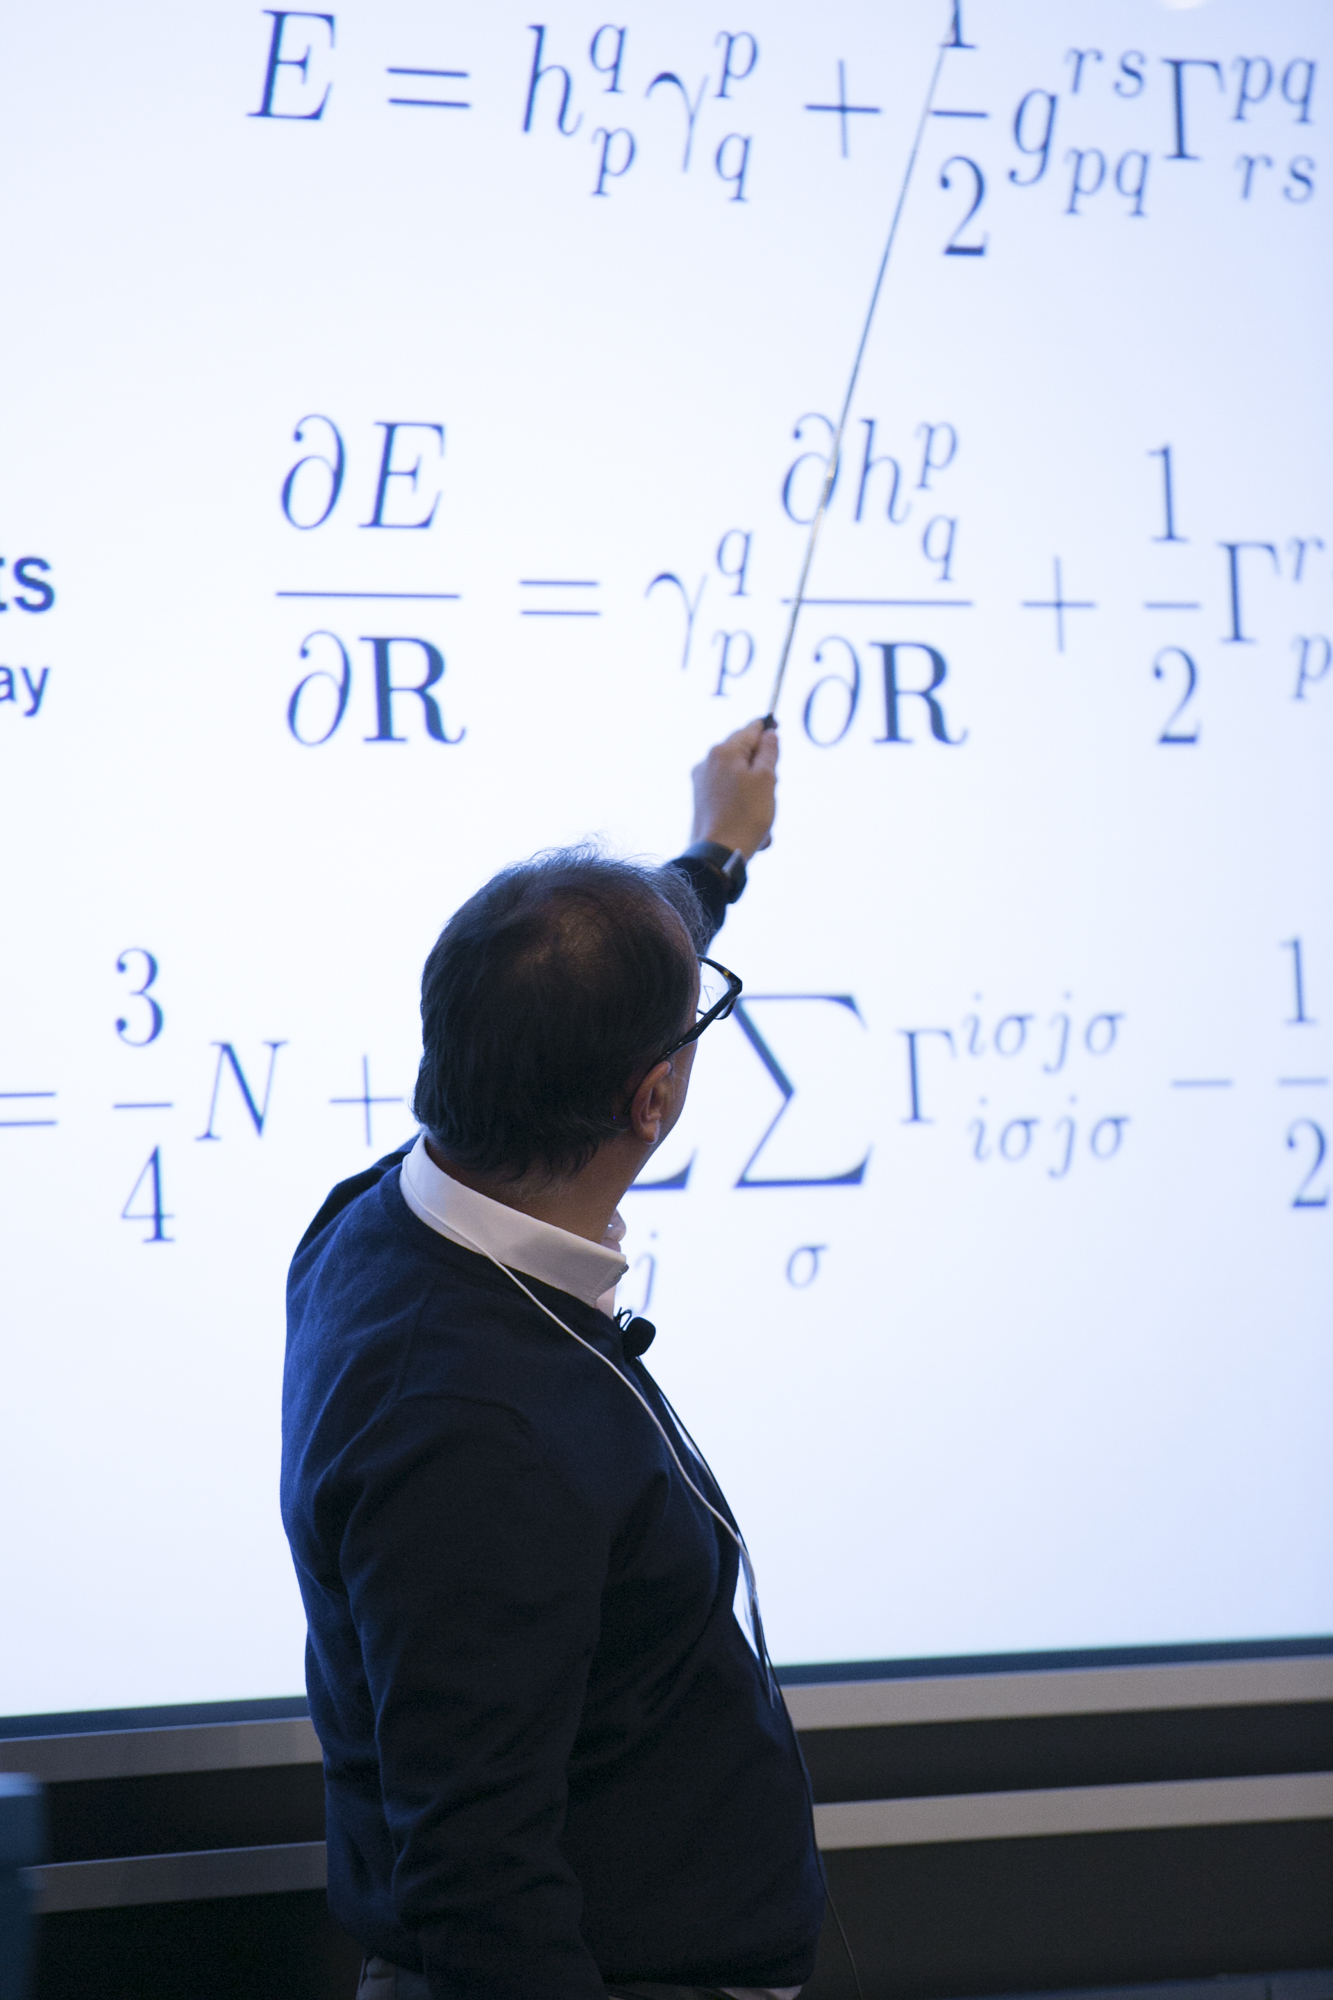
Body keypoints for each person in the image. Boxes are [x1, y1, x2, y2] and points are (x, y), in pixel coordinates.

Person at [281, 719, 825, 2000]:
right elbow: (479, 1887)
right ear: (653, 1099)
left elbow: (563, 985)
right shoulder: (473, 1435)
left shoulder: (377, 1214)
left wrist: (714, 855)